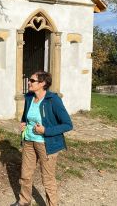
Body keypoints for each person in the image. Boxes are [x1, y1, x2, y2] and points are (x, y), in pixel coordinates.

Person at [12, 71, 73, 206]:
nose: (29, 82)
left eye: (32, 81)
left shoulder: (53, 100)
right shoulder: (29, 97)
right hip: (28, 142)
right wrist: (23, 124)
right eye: (30, 80)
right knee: (25, 175)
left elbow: (68, 125)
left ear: (43, 83)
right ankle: (24, 200)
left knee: (48, 179)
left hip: (47, 144)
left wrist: (46, 130)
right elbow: (26, 117)